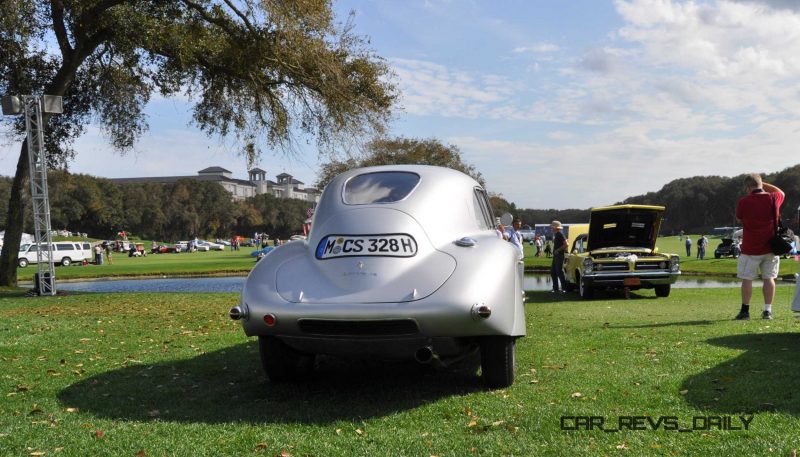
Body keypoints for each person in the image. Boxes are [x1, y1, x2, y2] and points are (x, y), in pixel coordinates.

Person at [733, 173, 784, 320]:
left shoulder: (744, 202)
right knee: (769, 278)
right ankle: (767, 311)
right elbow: (780, 192)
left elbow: (739, 217)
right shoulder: (774, 198)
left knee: (747, 279)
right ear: (761, 185)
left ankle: (745, 311)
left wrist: (757, 186)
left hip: (750, 248)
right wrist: (762, 184)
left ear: (748, 188)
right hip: (771, 247)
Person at [550, 220, 568, 293]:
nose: (551, 228)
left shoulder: (560, 234)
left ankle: (564, 288)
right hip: (556, 256)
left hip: (559, 255)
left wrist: (558, 250)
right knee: (553, 272)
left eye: (552, 227)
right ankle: (555, 288)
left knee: (559, 272)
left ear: (555, 227)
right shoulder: (557, 234)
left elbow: (566, 244)